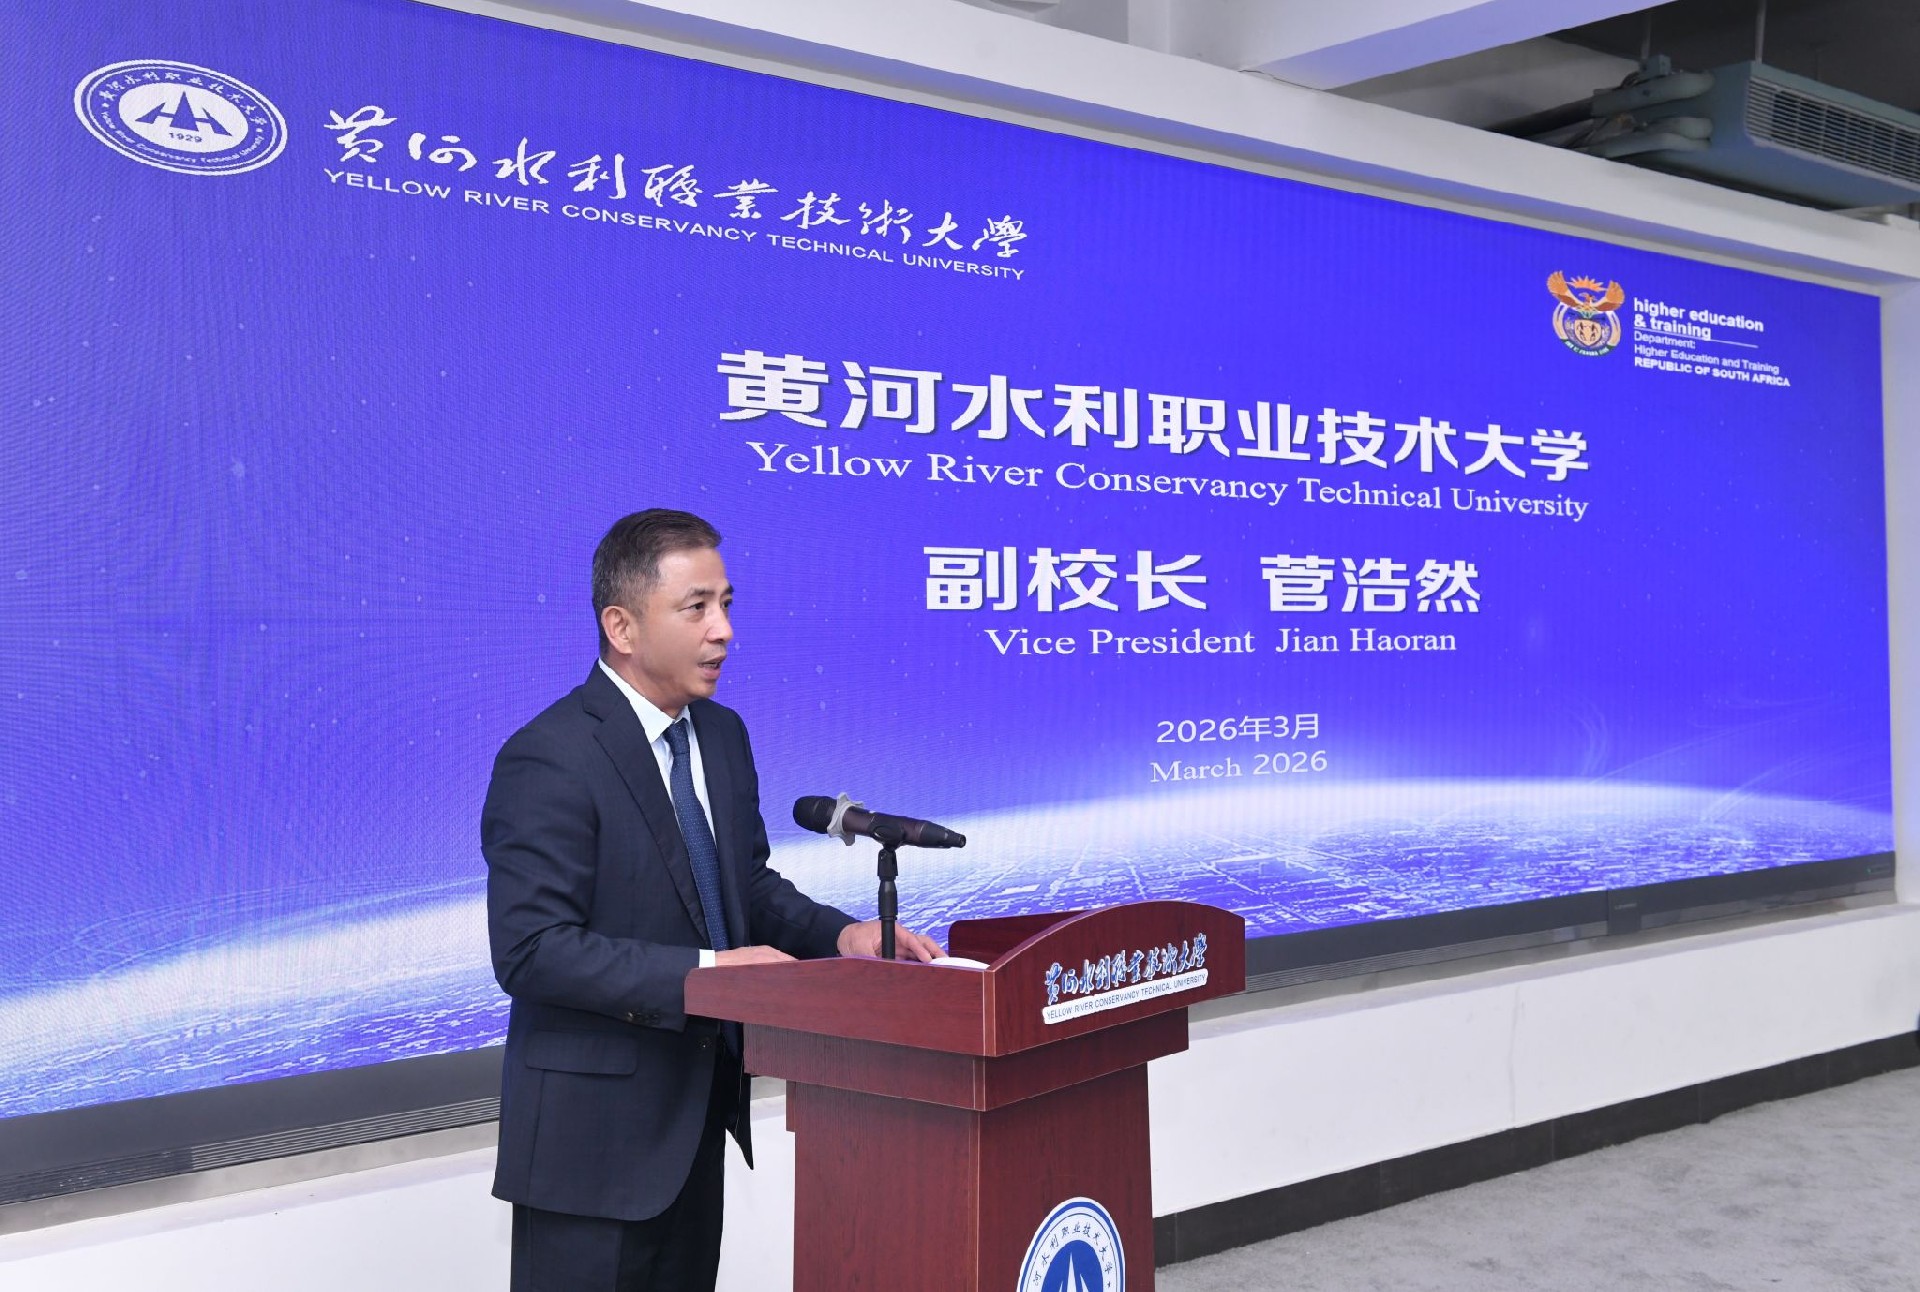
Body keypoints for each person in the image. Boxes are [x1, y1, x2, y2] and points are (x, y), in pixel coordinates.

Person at [482, 508, 941, 1292]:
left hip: (696, 1116)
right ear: (621, 626)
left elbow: (744, 887)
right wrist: (711, 973)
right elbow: (531, 951)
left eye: (726, 604)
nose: (723, 630)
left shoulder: (722, 736)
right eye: (696, 608)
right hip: (591, 1146)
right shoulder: (549, 757)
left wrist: (841, 938)